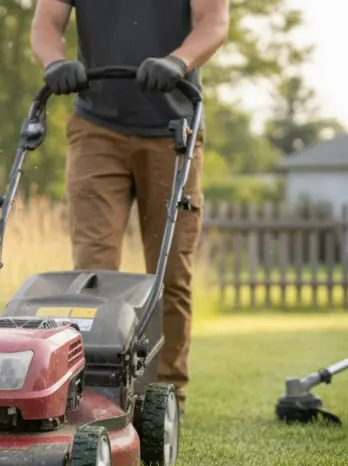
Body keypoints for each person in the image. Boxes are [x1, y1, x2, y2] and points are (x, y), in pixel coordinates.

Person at [30, 0, 229, 411]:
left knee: (170, 271)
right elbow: (47, 22)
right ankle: (94, 390)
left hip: (175, 129)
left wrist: (178, 61)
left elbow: (214, 22)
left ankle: (168, 395)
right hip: (97, 127)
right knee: (94, 271)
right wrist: (54, 63)